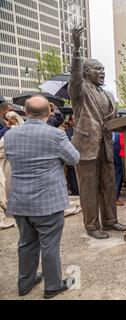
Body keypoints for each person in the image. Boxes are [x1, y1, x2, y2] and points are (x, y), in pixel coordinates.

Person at [4, 95, 80, 299]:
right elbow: (74, 159)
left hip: (20, 199)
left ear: (26, 112)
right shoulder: (56, 135)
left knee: (26, 243)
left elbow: (11, 159)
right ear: (48, 113)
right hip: (48, 200)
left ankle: (25, 283)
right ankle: (53, 286)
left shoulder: (10, 135)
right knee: (49, 244)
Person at [69, 27, 126, 239]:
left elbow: (112, 120)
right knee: (89, 189)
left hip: (106, 145)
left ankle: (110, 221)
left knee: (108, 184)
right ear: (86, 73)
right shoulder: (80, 90)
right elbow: (74, 77)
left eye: (103, 69)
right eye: (97, 69)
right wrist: (76, 51)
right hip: (86, 146)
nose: (102, 73)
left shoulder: (108, 94)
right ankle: (92, 226)